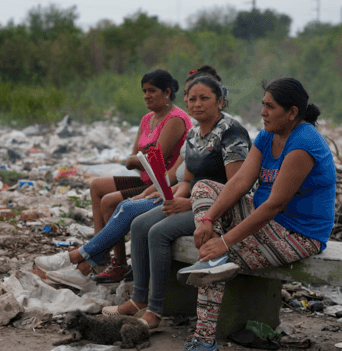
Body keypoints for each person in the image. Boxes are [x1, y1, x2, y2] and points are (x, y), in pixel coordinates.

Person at [163, 77, 336, 351]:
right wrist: (207, 220)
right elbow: (241, 181)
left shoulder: (303, 143)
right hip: (266, 224)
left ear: (292, 112)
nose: (263, 112)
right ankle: (205, 341)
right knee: (204, 187)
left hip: (298, 234)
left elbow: (274, 204)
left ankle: (204, 347)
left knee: (215, 257)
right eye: (263, 105)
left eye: (270, 107)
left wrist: (224, 241)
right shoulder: (268, 137)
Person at [104, 69, 251, 329]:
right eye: (192, 99)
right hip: (195, 202)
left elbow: (236, 186)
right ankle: (139, 299)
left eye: (204, 98)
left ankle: (156, 310)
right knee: (139, 224)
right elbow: (186, 180)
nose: (196, 104)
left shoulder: (231, 132)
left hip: (222, 209)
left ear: (219, 101)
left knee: (158, 232)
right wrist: (173, 198)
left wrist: (192, 205)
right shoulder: (194, 134)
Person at [35, 70, 191, 282]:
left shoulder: (176, 119)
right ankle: (100, 257)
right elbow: (135, 155)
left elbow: (155, 159)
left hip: (162, 182)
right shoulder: (147, 119)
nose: (146, 95)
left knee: (110, 202)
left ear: (167, 93)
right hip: (146, 178)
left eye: (152, 91)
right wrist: (137, 159)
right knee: (97, 186)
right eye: (144, 91)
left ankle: (114, 263)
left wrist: (137, 159)